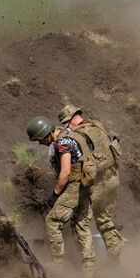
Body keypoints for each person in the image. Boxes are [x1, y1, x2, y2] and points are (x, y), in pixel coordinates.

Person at [26, 115, 95, 274]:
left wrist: (55, 194)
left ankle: (58, 267)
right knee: (81, 225)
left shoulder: (62, 143)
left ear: (46, 134)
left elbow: (65, 173)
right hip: (85, 186)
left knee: (52, 221)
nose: (40, 143)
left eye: (40, 139)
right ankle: (88, 270)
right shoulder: (68, 135)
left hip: (74, 187)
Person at [58, 104, 124, 259]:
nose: (67, 128)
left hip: (98, 184)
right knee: (105, 220)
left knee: (80, 222)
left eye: (66, 124)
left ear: (71, 120)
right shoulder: (97, 125)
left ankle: (88, 267)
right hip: (113, 178)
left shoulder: (78, 137)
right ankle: (115, 260)